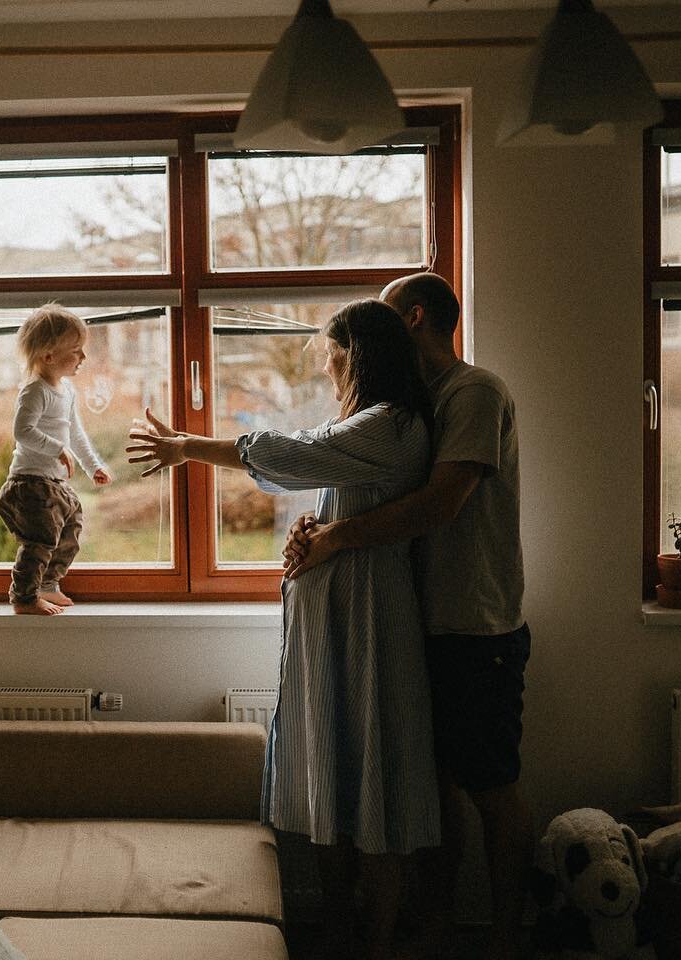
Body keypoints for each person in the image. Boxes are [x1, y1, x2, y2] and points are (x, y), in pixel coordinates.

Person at [128, 299, 440, 960]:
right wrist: (315, 529)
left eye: (331, 357)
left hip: (371, 626)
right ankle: (337, 929)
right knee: (330, 773)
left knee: (377, 781)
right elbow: (328, 484)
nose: (326, 371)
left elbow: (291, 453)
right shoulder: (368, 423)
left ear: (357, 356)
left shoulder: (391, 426)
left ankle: (375, 942)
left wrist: (187, 446)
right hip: (333, 624)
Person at [284, 272, 533, 960]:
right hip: (417, 623)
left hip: (474, 623)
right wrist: (319, 523)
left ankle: (508, 933)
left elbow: (439, 504)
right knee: (432, 790)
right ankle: (438, 924)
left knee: (490, 786)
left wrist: (335, 540)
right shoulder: (409, 406)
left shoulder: (474, 391)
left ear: (416, 317)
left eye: (388, 319)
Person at [0, 304, 111, 616]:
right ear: (48, 356)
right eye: (76, 351)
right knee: (40, 541)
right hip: (30, 484)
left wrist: (93, 466)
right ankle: (24, 597)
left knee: (71, 529)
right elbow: (22, 431)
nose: (83, 358)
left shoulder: (67, 390)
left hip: (53, 484)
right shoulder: (35, 390)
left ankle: (48, 584)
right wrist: (56, 449)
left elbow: (76, 432)